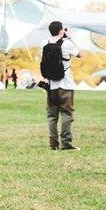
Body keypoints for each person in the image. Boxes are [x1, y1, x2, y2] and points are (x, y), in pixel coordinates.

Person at [42, 21, 82, 150]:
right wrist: (69, 36)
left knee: (52, 116)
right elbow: (80, 54)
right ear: (61, 30)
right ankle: (66, 143)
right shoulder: (67, 43)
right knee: (66, 114)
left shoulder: (45, 43)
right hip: (65, 85)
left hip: (51, 85)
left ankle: (53, 144)